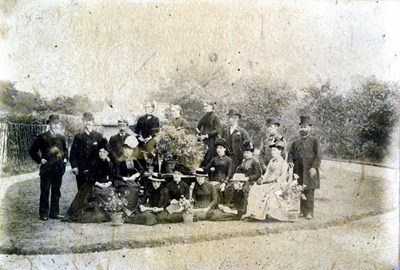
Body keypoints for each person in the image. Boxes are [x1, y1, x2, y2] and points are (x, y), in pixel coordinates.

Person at [242, 139, 294, 221]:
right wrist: (262, 179)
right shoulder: (271, 161)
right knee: (255, 189)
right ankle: (253, 213)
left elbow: (283, 176)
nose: (273, 152)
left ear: (280, 151)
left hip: (277, 184)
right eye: (272, 150)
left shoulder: (283, 163)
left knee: (267, 192)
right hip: (268, 182)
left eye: (275, 150)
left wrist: (274, 181)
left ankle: (261, 214)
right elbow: (267, 173)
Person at [64, 140, 114, 223]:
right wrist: (99, 184)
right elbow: (90, 177)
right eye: (100, 152)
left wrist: (108, 183)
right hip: (93, 184)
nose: (101, 153)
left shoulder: (110, 164)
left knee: (110, 192)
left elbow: (112, 176)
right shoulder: (94, 163)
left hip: (105, 184)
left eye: (104, 152)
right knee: (94, 193)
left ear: (107, 153)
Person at [29, 114, 68, 221]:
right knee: (45, 191)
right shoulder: (42, 137)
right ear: (49, 124)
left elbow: (65, 151)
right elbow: (32, 151)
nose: (55, 126)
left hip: (58, 169)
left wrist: (64, 161)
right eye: (53, 123)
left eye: (57, 123)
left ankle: (54, 213)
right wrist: (40, 159)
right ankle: (44, 213)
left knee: (56, 192)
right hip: (47, 169)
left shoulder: (61, 137)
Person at [288, 115, 321, 220]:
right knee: (300, 191)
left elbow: (318, 155)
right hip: (298, 171)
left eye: (305, 126)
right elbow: (290, 154)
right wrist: (290, 162)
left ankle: (310, 212)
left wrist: (314, 167)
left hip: (310, 170)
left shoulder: (314, 141)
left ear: (309, 128)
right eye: (301, 126)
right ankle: (302, 211)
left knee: (309, 192)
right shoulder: (295, 142)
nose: (303, 128)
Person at [70, 112, 104, 190]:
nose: (88, 123)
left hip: (95, 168)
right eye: (86, 121)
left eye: (89, 120)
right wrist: (74, 166)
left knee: (94, 191)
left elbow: (104, 151)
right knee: (82, 190)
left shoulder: (98, 136)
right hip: (81, 169)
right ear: (83, 121)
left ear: (92, 122)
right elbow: (73, 153)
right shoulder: (78, 136)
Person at [114, 135, 145, 216]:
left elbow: (142, 169)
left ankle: (134, 209)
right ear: (124, 149)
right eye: (129, 149)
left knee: (134, 187)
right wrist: (125, 178)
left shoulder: (134, 159)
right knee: (131, 189)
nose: (131, 151)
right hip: (122, 181)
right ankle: (127, 211)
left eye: (132, 149)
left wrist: (135, 175)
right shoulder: (119, 160)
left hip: (133, 180)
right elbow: (116, 174)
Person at [134, 101, 160, 168]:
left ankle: (150, 170)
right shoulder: (141, 119)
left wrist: (150, 137)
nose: (146, 109)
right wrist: (140, 137)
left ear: (152, 108)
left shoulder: (156, 119)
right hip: (141, 140)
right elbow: (136, 131)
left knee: (150, 154)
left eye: (148, 107)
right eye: (145, 107)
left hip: (151, 140)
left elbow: (157, 131)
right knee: (139, 155)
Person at [197, 102, 221, 167]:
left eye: (206, 106)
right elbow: (197, 127)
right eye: (204, 106)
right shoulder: (203, 117)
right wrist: (199, 134)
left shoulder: (215, 117)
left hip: (212, 141)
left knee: (209, 158)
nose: (205, 108)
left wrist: (207, 135)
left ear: (211, 106)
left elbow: (217, 130)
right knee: (202, 158)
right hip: (203, 141)